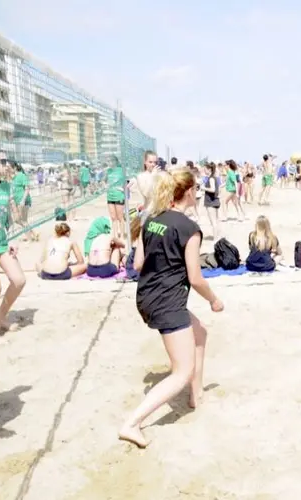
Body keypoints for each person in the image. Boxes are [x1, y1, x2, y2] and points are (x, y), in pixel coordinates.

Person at [120, 168, 224, 448]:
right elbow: (195, 278)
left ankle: (196, 394)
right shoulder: (190, 229)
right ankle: (131, 423)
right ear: (189, 192)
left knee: (200, 333)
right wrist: (214, 300)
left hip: (147, 297)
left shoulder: (151, 219)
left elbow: (138, 264)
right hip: (167, 302)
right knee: (181, 372)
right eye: (197, 189)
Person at [0, 149, 26, 343]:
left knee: (19, 280)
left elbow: (11, 217)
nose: (7, 165)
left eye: (8, 162)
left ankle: (0, 316)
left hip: (0, 241)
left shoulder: (8, 187)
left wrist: (14, 239)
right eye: (2, 161)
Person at [106, 155, 126, 240]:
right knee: (113, 217)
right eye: (109, 161)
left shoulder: (121, 170)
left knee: (120, 217)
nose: (110, 163)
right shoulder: (108, 171)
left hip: (119, 196)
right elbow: (104, 181)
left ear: (116, 161)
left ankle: (121, 235)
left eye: (112, 161)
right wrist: (105, 186)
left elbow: (129, 181)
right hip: (110, 196)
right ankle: (114, 235)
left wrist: (123, 188)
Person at [202, 162, 221, 241]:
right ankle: (217, 236)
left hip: (211, 202)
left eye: (205, 169)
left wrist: (204, 188)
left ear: (209, 169)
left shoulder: (211, 178)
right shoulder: (214, 178)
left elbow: (212, 189)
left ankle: (215, 238)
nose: (204, 170)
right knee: (215, 221)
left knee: (213, 222)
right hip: (214, 201)